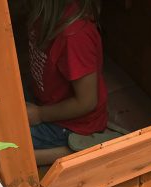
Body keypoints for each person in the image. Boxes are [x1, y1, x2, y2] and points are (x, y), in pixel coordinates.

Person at [26, 0, 107, 166]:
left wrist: (40, 114)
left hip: (74, 123)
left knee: (7, 146)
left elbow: (87, 101)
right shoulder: (44, 15)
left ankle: (77, 149)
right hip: (47, 101)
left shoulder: (75, 36)